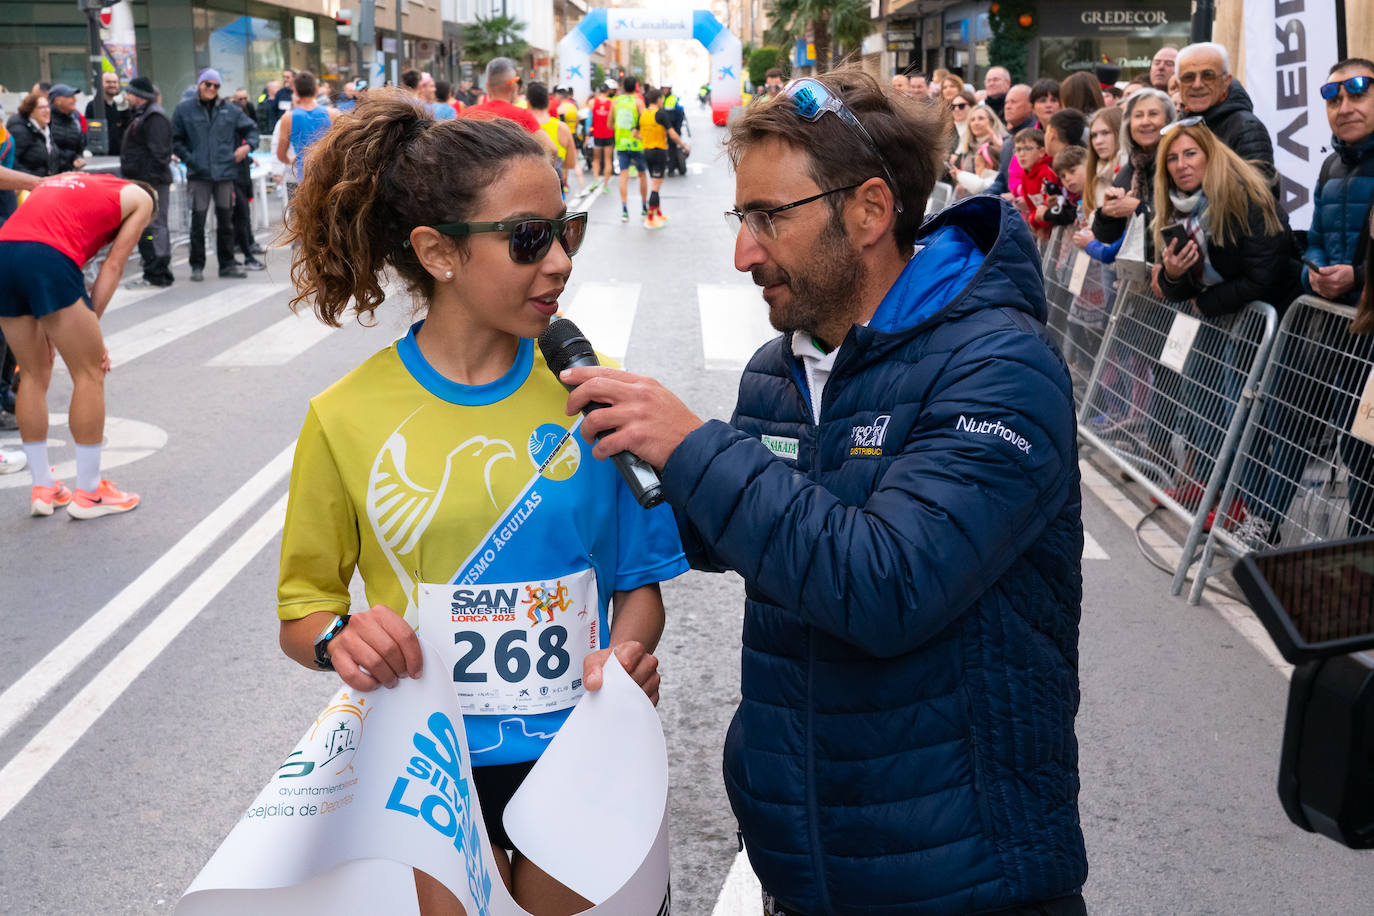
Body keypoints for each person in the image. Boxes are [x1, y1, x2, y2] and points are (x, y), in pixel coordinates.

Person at [556, 66, 1086, 916]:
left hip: (963, 882)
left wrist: (692, 447)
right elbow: (728, 531)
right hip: (805, 870)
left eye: (769, 217)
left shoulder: (1001, 369)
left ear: (870, 212)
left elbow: (888, 584)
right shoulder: (782, 367)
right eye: (742, 217)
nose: (742, 252)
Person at [275, 91, 687, 915]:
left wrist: (628, 653)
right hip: (426, 771)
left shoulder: (596, 391)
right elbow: (305, 612)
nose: (562, 261)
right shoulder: (345, 416)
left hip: (583, 755)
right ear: (439, 252)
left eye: (565, 231)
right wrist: (340, 641)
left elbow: (639, 583)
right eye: (529, 239)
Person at [1153, 121, 1302, 524]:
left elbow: (1264, 274)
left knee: (1261, 419)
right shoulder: (1180, 206)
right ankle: (1225, 492)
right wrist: (1172, 273)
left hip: (1273, 319)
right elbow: (1178, 289)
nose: (1181, 165)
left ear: (1211, 154)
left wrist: (1205, 303)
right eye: (1172, 158)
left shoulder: (1246, 194)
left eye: (1190, 154)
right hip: (1230, 321)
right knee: (1217, 408)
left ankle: (1254, 510)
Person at [0, 172, 154, 518]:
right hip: (45, 256)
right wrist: (90, 334)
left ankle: (44, 487)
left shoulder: (76, 181)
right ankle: (89, 492)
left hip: (4, 250)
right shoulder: (142, 199)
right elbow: (113, 265)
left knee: (34, 375)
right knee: (90, 370)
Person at [174, 69, 258, 281]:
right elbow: (175, 139)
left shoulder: (230, 109)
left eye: (216, 85)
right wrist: (190, 158)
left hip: (224, 173)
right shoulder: (184, 110)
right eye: (208, 84)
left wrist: (247, 147)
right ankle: (197, 265)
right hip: (199, 175)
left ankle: (227, 264)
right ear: (200, 84)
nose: (211, 88)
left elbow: (252, 129)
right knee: (198, 221)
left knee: (225, 221)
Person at [1304, 58, 1374, 304]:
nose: (1344, 109)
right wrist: (1314, 274)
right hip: (1337, 331)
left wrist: (1357, 276)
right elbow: (1316, 242)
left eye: (1357, 97)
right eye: (1334, 101)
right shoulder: (1329, 167)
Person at [1091, 88, 1176, 264]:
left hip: (1171, 269)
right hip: (1136, 279)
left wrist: (1138, 208)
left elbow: (1179, 223)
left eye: (1153, 114)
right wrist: (1108, 213)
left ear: (1168, 121)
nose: (1145, 122)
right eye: (1138, 115)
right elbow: (1108, 236)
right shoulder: (1128, 170)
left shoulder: (1177, 163)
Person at [1175, 42, 1275, 175]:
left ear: (1226, 81)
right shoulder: (1178, 125)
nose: (1197, 84)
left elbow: (1261, 189)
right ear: (1178, 85)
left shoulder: (1246, 127)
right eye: (1189, 77)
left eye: (1208, 75)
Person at [120, 76, 176, 287]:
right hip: (145, 181)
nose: (127, 97)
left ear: (139, 96)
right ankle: (153, 270)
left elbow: (160, 153)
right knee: (147, 226)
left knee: (154, 226)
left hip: (151, 182)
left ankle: (158, 271)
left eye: (130, 93)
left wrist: (146, 182)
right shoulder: (143, 114)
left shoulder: (154, 117)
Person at [276, 70, 335, 205]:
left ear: (295, 92)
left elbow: (280, 154)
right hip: (330, 178)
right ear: (316, 90)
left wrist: (294, 160)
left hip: (305, 181)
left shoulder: (287, 118)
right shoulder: (333, 114)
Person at [638, 87, 688, 228]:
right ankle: (649, 219)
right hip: (659, 152)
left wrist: (647, 138)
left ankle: (658, 214)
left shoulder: (642, 114)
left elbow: (635, 133)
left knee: (655, 183)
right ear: (659, 99)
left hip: (647, 152)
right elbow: (672, 134)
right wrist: (684, 146)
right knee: (655, 187)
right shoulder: (660, 114)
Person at [526, 82, 579, 193]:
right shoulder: (562, 128)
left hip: (527, 186)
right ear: (548, 102)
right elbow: (570, 163)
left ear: (528, 103)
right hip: (554, 187)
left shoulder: (521, 126)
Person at [948, 101, 1005, 197]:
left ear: (991, 121)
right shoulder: (968, 148)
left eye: (981, 118)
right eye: (972, 120)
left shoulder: (1000, 144)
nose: (976, 123)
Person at [612, 75, 648, 224]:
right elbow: (646, 122)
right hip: (637, 144)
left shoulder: (615, 102)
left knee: (623, 176)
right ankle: (644, 207)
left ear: (623, 87)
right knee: (642, 175)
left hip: (621, 144)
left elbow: (609, 124)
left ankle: (625, 210)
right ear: (635, 87)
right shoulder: (639, 102)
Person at [1013, 127, 1058, 239]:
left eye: (1027, 148)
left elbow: (1051, 203)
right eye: (1018, 149)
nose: (1021, 154)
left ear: (1041, 152)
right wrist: (1036, 224)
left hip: (1054, 226)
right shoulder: (1025, 175)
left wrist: (1038, 222)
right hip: (1041, 227)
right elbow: (1031, 206)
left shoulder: (1046, 173)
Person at [8, 92, 55, 176]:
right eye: (41, 107)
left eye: (48, 106)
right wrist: (32, 179)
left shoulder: (45, 129)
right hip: (27, 184)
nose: (47, 110)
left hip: (44, 181)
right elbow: (12, 162)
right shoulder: (19, 130)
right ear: (31, 110)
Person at [86, 71, 129, 156]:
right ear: (101, 84)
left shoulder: (123, 104)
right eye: (108, 82)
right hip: (101, 155)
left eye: (115, 82)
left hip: (122, 154)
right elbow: (88, 130)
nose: (112, 85)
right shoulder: (93, 105)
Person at [47, 85, 86, 173]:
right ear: (57, 100)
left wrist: (78, 158)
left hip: (69, 173)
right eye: (70, 97)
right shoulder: (46, 118)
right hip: (48, 175)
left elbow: (79, 148)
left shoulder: (75, 117)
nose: (75, 100)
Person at [589, 80, 616, 190]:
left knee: (596, 159)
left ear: (599, 91)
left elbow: (588, 115)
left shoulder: (592, 102)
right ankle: (605, 185)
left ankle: (595, 180)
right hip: (609, 134)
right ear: (608, 91)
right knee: (608, 160)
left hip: (597, 134)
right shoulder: (612, 103)